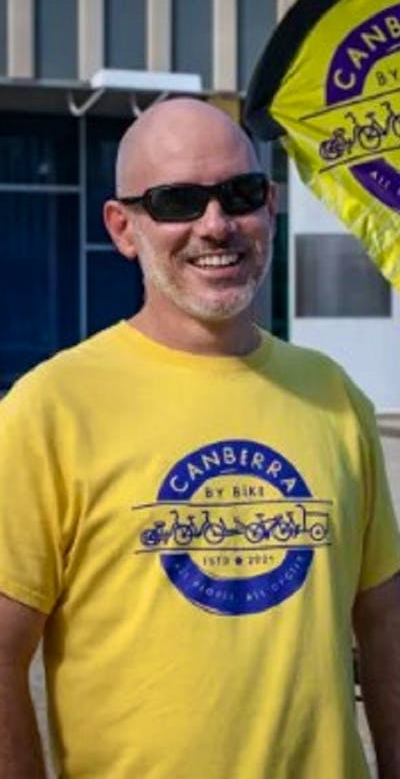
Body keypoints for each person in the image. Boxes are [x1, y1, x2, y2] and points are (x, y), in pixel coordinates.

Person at [0, 97, 399, 779]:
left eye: (238, 194)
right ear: (124, 228)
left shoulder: (332, 395)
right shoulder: (52, 407)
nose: (215, 225)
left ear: (269, 205)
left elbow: (386, 624)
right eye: (178, 201)